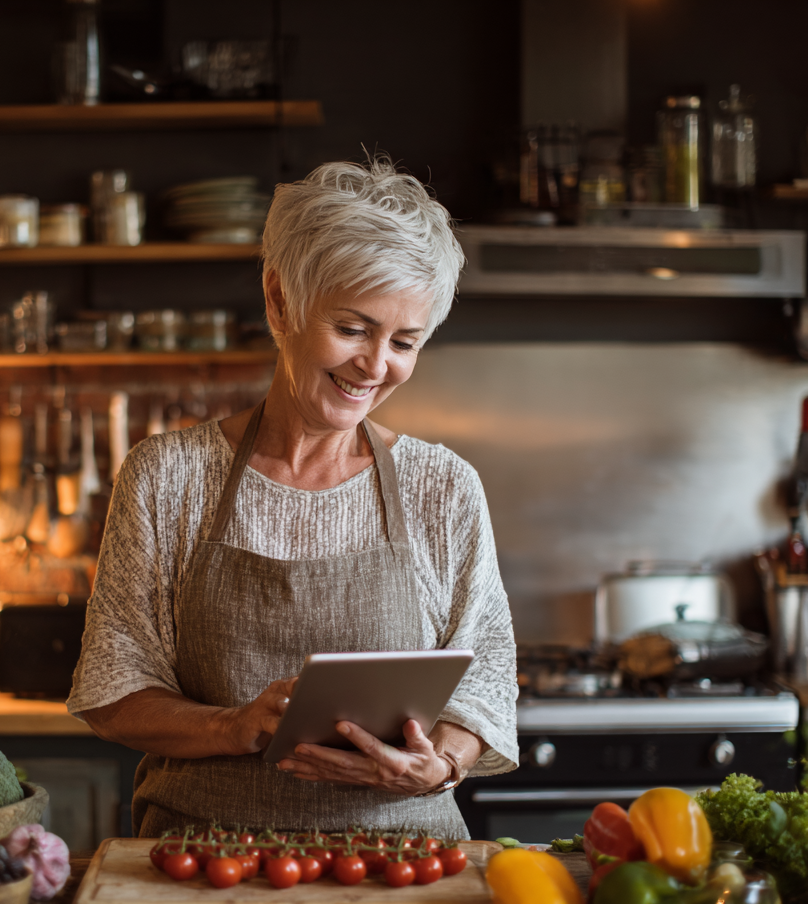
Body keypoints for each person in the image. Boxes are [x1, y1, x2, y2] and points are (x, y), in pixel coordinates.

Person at [69, 158, 518, 838]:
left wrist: (442, 765)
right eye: (353, 328)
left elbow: (485, 680)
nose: (375, 366)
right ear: (281, 301)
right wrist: (233, 726)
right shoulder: (170, 477)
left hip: (404, 865)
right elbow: (112, 690)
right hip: (206, 864)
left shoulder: (442, 486)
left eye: (404, 341)